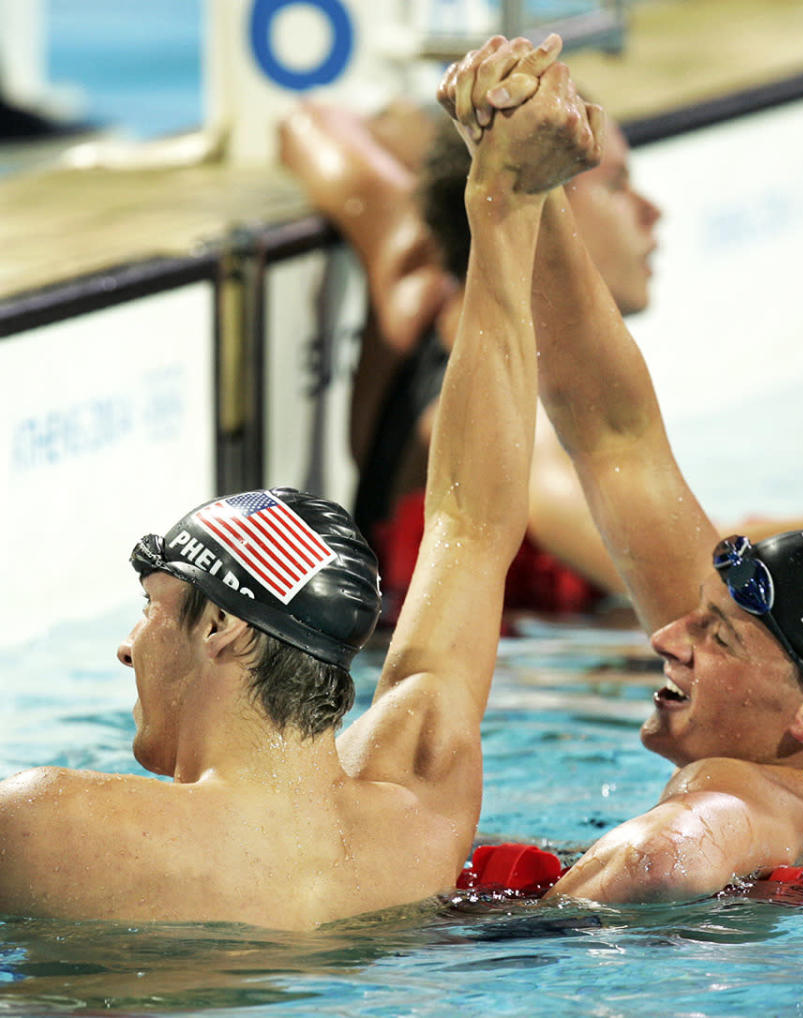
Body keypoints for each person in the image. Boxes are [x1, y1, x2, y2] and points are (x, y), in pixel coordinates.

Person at [0, 42, 602, 929]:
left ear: (222, 631)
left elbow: (471, 525)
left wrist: (498, 197)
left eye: (152, 606)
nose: (128, 648)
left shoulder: (50, 827)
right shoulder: (418, 809)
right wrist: (503, 202)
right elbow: (471, 527)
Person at [438, 36, 803, 904]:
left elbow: (672, 856)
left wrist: (537, 927)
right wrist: (526, 172)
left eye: (716, 636)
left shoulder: (736, 801)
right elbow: (615, 435)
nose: (669, 637)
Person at [279, 63, 803, 618]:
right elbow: (707, 578)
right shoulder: (530, 442)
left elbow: (309, 123)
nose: (652, 212)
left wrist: (480, 96)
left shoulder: (415, 283)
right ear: (551, 205)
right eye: (618, 184)